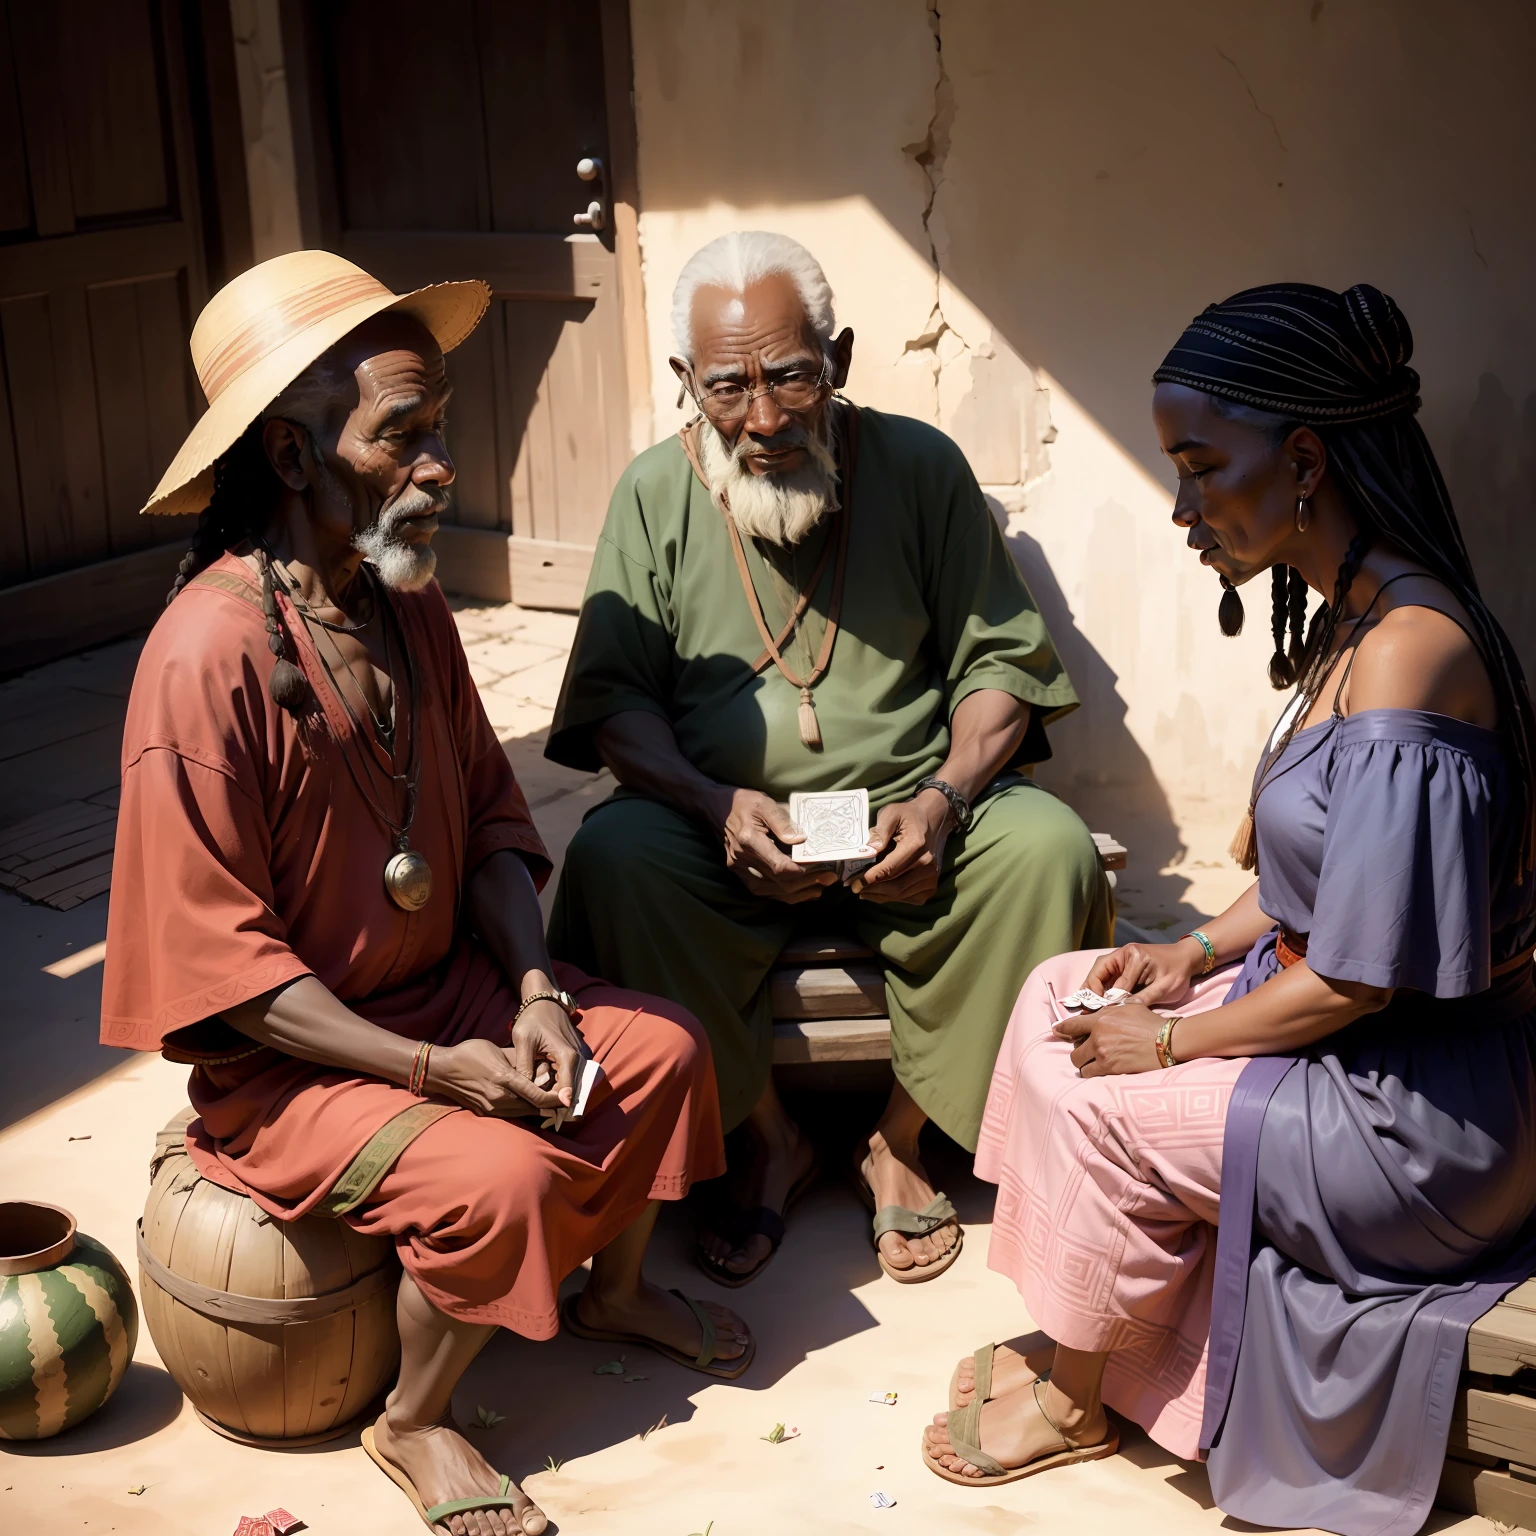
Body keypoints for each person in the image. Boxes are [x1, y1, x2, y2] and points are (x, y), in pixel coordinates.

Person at [101, 251, 749, 1536]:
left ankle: (610, 1293)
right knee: (498, 1181)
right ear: (292, 459)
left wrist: (535, 988)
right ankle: (413, 1420)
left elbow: (496, 825)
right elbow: (224, 975)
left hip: (448, 994)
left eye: (438, 429)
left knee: (665, 1052)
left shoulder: (406, 605)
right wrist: (434, 1071)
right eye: (402, 435)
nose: (442, 466)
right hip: (294, 1068)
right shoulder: (206, 659)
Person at [923, 281, 1536, 1536]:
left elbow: (1361, 976)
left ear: (1305, 458)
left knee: (1099, 1093)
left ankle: (1084, 1389)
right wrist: (1187, 951)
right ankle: (1094, 1321)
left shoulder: (1413, 652)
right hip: (1347, 1046)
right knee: (1061, 988)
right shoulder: (1352, 619)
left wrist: (1168, 1041)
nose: (1182, 506)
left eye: (1204, 468)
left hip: (1419, 1117)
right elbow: (1318, 883)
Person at [545, 231, 1112, 1288]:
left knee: (1047, 849)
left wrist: (945, 799)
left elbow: (1000, 664)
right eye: (728, 387)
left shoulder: (922, 468)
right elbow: (614, 703)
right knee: (615, 859)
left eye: (791, 376)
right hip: (728, 833)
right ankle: (768, 1136)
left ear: (838, 358)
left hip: (913, 825)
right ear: (686, 385)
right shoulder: (653, 496)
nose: (763, 419)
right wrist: (708, 801)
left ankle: (902, 1143)